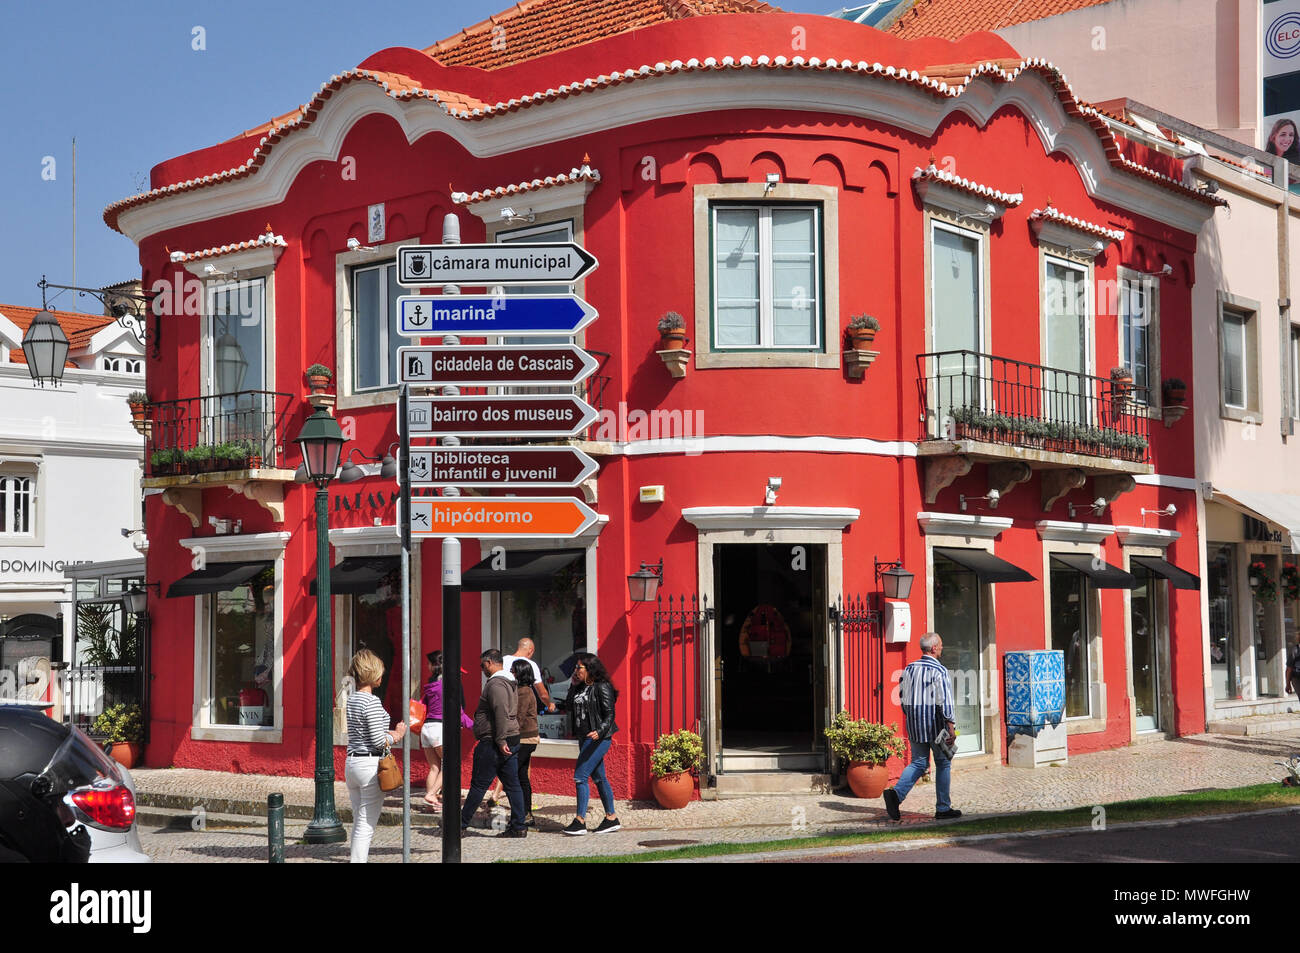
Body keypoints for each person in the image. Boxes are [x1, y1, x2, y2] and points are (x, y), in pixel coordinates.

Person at [883, 633, 961, 822]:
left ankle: (896, 795)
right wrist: (951, 726)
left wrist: (911, 716)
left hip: (915, 725)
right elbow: (944, 701)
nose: (942, 648)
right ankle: (943, 808)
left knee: (918, 762)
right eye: (940, 645)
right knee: (943, 763)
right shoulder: (939, 671)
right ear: (933, 648)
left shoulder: (909, 668)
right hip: (936, 725)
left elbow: (902, 696)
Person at [344, 648, 406, 863]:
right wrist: (397, 735)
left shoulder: (353, 700)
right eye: (380, 672)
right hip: (369, 764)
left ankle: (356, 858)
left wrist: (387, 732)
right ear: (372, 674)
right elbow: (378, 741)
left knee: (359, 818)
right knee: (366, 822)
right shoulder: (371, 702)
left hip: (352, 762)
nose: (383, 675)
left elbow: (365, 731)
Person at [459, 649, 528, 838]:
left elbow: (501, 712)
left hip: (494, 741)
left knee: (479, 785)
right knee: (512, 785)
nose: (482, 669)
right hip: (506, 739)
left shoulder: (497, 684)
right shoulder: (508, 682)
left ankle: (460, 825)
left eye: (482, 665)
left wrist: (500, 740)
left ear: (490, 662)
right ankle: (518, 827)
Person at [563, 654, 621, 835]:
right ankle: (611, 818)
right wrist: (572, 687)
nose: (576, 671)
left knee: (580, 776)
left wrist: (600, 731)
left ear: (590, 669)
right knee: (599, 778)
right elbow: (569, 706)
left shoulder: (602, 687)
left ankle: (580, 821)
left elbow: (610, 714)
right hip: (584, 737)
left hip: (598, 738)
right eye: (575, 668)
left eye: (579, 668)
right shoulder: (579, 687)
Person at [420, 650, 473, 811]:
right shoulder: (450, 685)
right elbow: (459, 710)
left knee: (434, 767)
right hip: (439, 728)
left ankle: (432, 804)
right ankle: (431, 795)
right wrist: (474, 726)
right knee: (450, 764)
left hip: (427, 728)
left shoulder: (430, 685)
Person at [511, 658, 541, 826]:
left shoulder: (523, 691)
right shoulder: (525, 689)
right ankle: (526, 813)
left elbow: (519, 717)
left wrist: (507, 734)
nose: (512, 673)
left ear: (520, 673)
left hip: (524, 738)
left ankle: (521, 814)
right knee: (522, 775)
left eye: (514, 670)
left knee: (515, 775)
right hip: (527, 738)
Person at [504, 637, 556, 713]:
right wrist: (549, 705)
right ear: (530, 650)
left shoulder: (503, 660)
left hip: (503, 704)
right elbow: (543, 694)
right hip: (520, 707)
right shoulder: (530, 664)